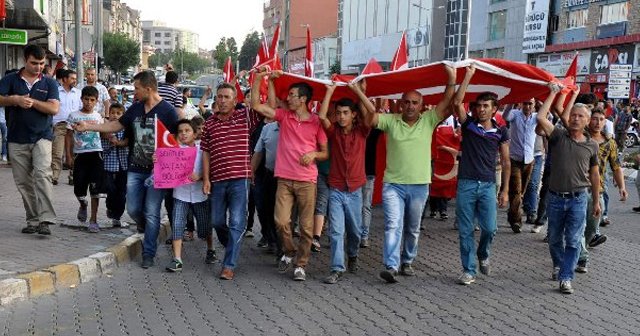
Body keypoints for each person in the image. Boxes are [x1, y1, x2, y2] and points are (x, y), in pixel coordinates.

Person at [73, 70, 179, 268]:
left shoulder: (168, 111)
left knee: (152, 211)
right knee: (133, 208)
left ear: (148, 88)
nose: (134, 93)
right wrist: (88, 126)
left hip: (157, 171)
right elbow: (114, 126)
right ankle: (146, 227)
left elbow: (178, 141)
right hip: (136, 168)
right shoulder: (135, 109)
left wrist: (166, 156)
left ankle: (148, 253)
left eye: (137, 89)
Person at [364, 65, 457, 283]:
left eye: (415, 102)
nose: (410, 106)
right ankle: (391, 265)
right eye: (406, 102)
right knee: (393, 225)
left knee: (413, 228)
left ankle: (407, 260)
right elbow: (370, 117)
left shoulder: (429, 120)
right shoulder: (391, 121)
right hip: (393, 185)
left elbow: (447, 103)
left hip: (419, 185)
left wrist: (452, 78)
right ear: (400, 103)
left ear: (422, 106)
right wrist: (361, 91)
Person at [251, 69, 329, 282]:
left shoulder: (316, 123)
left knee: (305, 227)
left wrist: (313, 153)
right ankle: (289, 250)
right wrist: (260, 79)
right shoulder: (284, 117)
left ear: (303, 99)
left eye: (293, 95)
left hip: (307, 181)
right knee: (281, 222)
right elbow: (257, 105)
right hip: (284, 178)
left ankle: (300, 265)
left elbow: (325, 152)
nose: (289, 98)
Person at [537, 87, 601, 295]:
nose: (575, 118)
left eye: (580, 116)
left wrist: (597, 201)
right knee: (555, 238)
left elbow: (594, 175)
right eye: (572, 114)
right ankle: (558, 264)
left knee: (573, 240)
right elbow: (541, 117)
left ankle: (566, 277)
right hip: (555, 198)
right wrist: (551, 93)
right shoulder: (558, 136)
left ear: (587, 120)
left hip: (578, 199)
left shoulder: (592, 146)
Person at [200, 83, 260, 280]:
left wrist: (258, 79)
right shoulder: (209, 123)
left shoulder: (245, 118)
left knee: (236, 222)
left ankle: (229, 265)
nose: (223, 100)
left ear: (235, 100)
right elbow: (206, 153)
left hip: (239, 179)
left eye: (227, 97)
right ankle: (232, 245)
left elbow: (258, 105)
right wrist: (206, 178)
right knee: (217, 221)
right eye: (220, 97)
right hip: (217, 180)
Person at [0, 44, 60, 235]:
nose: (39, 67)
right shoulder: (10, 80)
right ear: (25, 60)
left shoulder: (49, 83)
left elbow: (53, 109)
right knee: (23, 182)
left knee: (42, 175)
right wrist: (15, 100)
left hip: (42, 137)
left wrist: (33, 102)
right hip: (16, 138)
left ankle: (46, 219)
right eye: (34, 63)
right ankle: (33, 220)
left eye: (42, 63)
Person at [319, 82, 372, 284]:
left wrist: (359, 91)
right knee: (336, 231)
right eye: (339, 112)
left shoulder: (362, 131)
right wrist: (330, 91)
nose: (341, 116)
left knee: (355, 232)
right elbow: (322, 117)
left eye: (345, 112)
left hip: (356, 190)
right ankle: (336, 268)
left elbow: (372, 110)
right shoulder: (333, 132)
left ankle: (353, 254)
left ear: (353, 115)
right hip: (336, 189)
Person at [575, 107, 628, 273]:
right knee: (578, 224)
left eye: (601, 119)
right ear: (589, 120)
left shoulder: (609, 143)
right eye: (594, 119)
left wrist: (622, 188)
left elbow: (617, 167)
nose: (597, 123)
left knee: (591, 226)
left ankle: (585, 243)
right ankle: (582, 257)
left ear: (605, 122)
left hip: (598, 190)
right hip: (579, 188)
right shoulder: (580, 138)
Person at [165, 118, 216, 272]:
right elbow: (163, 170)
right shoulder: (172, 150)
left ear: (195, 134)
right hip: (180, 194)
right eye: (180, 131)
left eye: (187, 130)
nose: (183, 134)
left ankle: (211, 249)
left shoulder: (203, 150)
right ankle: (177, 259)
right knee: (177, 224)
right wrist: (158, 160)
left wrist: (200, 176)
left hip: (200, 194)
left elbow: (212, 169)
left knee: (205, 226)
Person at [65, 86, 106, 232]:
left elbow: (103, 134)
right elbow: (68, 136)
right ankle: (83, 204)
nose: (89, 102)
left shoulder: (98, 117)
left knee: (95, 189)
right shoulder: (73, 116)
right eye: (86, 99)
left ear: (96, 101)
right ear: (81, 99)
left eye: (92, 100)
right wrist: (68, 156)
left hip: (96, 154)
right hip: (80, 155)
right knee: (79, 187)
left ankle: (93, 220)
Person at [503, 98, 539, 233]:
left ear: (534, 105)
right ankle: (516, 221)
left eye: (530, 103)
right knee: (517, 191)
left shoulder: (536, 117)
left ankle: (511, 213)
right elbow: (505, 115)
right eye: (525, 103)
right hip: (514, 159)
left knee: (521, 192)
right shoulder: (515, 114)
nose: (527, 106)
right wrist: (514, 97)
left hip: (529, 160)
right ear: (521, 104)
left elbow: (548, 116)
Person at [101, 103, 129, 228]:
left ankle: (117, 216)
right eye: (113, 113)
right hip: (108, 164)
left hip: (124, 165)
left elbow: (128, 142)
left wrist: (119, 142)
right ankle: (110, 209)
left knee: (122, 192)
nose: (115, 116)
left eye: (118, 113)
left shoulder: (127, 129)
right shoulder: (104, 128)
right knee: (110, 189)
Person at [52, 69, 81, 185]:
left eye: (75, 78)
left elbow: (81, 108)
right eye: (72, 78)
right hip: (60, 125)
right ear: (64, 79)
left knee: (74, 152)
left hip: (74, 126)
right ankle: (54, 176)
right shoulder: (56, 92)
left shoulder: (78, 93)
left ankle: (73, 176)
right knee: (57, 153)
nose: (74, 80)